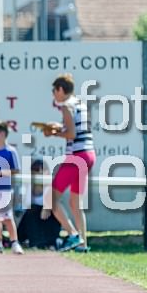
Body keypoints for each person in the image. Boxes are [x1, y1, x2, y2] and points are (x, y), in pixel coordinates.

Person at [43, 73, 96, 253]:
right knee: (75, 203)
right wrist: (58, 128)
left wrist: (54, 133)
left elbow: (71, 134)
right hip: (89, 154)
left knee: (50, 199)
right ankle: (83, 244)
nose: (53, 94)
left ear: (60, 89)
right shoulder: (80, 103)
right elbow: (76, 129)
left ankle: (73, 234)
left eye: (54, 90)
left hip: (76, 156)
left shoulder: (66, 106)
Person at [0, 121, 24, 254]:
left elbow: (16, 170)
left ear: (2, 134)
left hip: (4, 189)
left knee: (7, 217)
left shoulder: (10, 151)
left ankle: (14, 243)